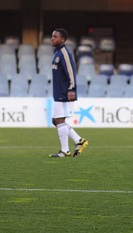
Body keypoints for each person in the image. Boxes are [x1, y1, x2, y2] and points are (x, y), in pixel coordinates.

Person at [49, 28, 88, 158]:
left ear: (63, 39)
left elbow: (71, 71)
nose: (52, 38)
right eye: (52, 36)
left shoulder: (64, 53)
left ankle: (65, 150)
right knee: (55, 120)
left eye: (55, 36)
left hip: (65, 93)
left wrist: (72, 89)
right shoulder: (57, 53)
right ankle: (78, 141)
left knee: (59, 119)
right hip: (58, 92)